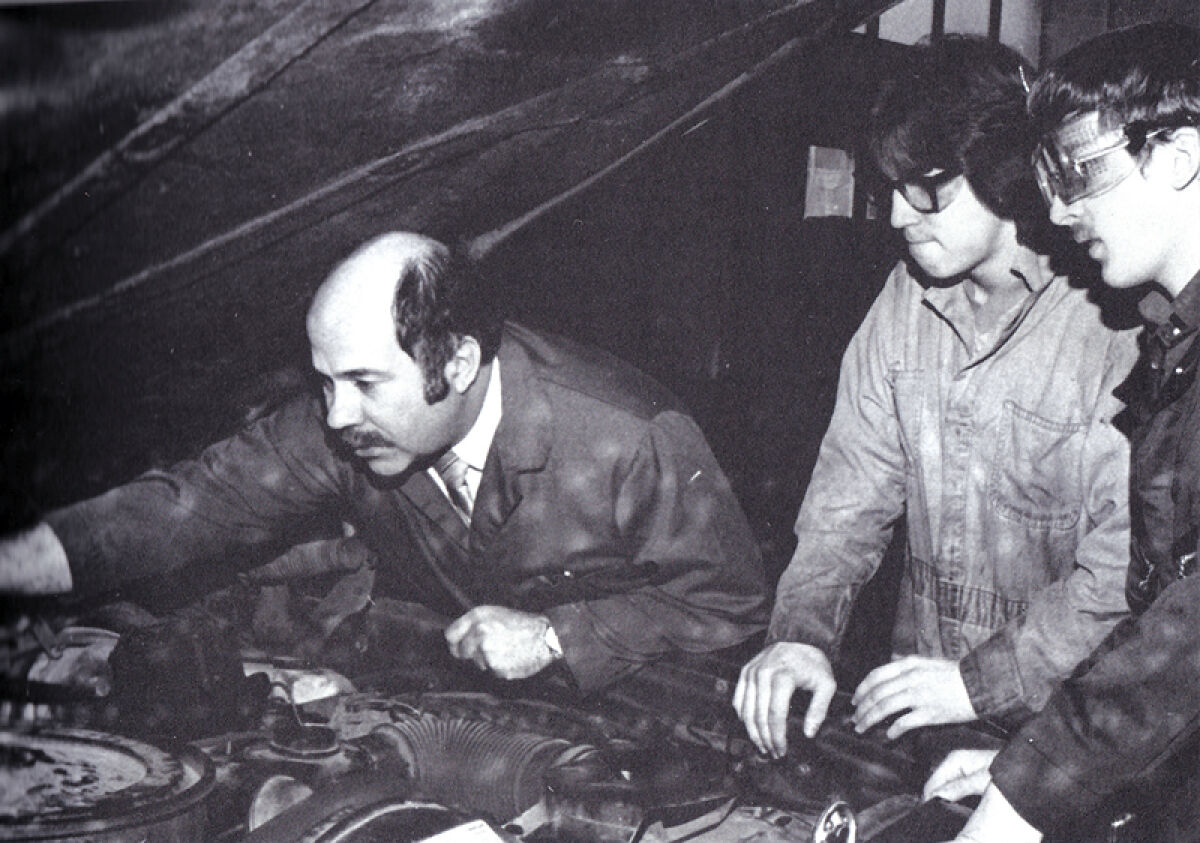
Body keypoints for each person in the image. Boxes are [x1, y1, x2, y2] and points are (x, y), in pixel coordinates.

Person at [0, 231, 768, 694]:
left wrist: (554, 638)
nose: (336, 415)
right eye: (325, 382)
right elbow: (192, 503)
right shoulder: (350, 427)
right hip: (463, 704)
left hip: (646, 709)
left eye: (366, 383)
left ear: (459, 360)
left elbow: (731, 600)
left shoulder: (627, 433)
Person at [734, 35, 1139, 759]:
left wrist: (980, 683)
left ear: (1005, 171)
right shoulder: (901, 305)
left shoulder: (1116, 326)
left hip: (1072, 743)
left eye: (929, 188)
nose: (898, 217)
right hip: (923, 725)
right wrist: (799, 638)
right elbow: (845, 504)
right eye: (890, 188)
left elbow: (1120, 576)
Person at [943, 21, 1200, 843]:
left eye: (1078, 170)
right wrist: (1031, 762)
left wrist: (1021, 803)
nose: (1055, 208)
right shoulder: (1174, 343)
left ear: (1178, 157)